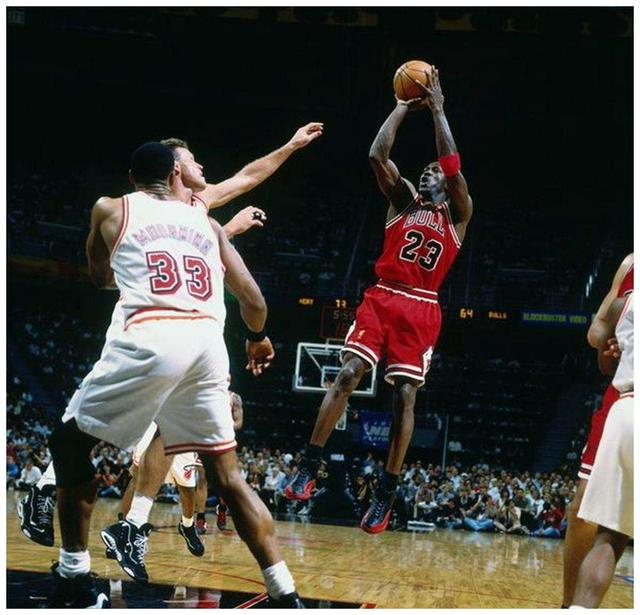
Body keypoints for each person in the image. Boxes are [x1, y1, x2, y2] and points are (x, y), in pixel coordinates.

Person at [17, 122, 321, 551]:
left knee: (153, 426)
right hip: (147, 322)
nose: (202, 166)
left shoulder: (198, 204)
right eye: (192, 160)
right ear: (173, 169)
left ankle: (100, 512)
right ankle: (65, 497)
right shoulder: (138, 206)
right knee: (113, 423)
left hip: (185, 327)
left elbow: (246, 179)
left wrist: (290, 145)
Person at [285, 67, 472, 535]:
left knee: (404, 396)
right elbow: (376, 154)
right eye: (423, 170)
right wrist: (403, 106)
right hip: (383, 296)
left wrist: (439, 110)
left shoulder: (459, 213)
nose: (428, 172)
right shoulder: (403, 201)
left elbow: (451, 164)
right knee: (348, 373)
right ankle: (310, 463)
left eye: (433, 171)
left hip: (422, 306)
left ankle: (387, 489)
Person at [562, 253, 633, 608]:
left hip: (627, 403)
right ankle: (568, 604)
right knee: (583, 512)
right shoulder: (630, 265)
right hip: (621, 395)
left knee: (611, 535)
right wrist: (617, 339)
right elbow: (597, 333)